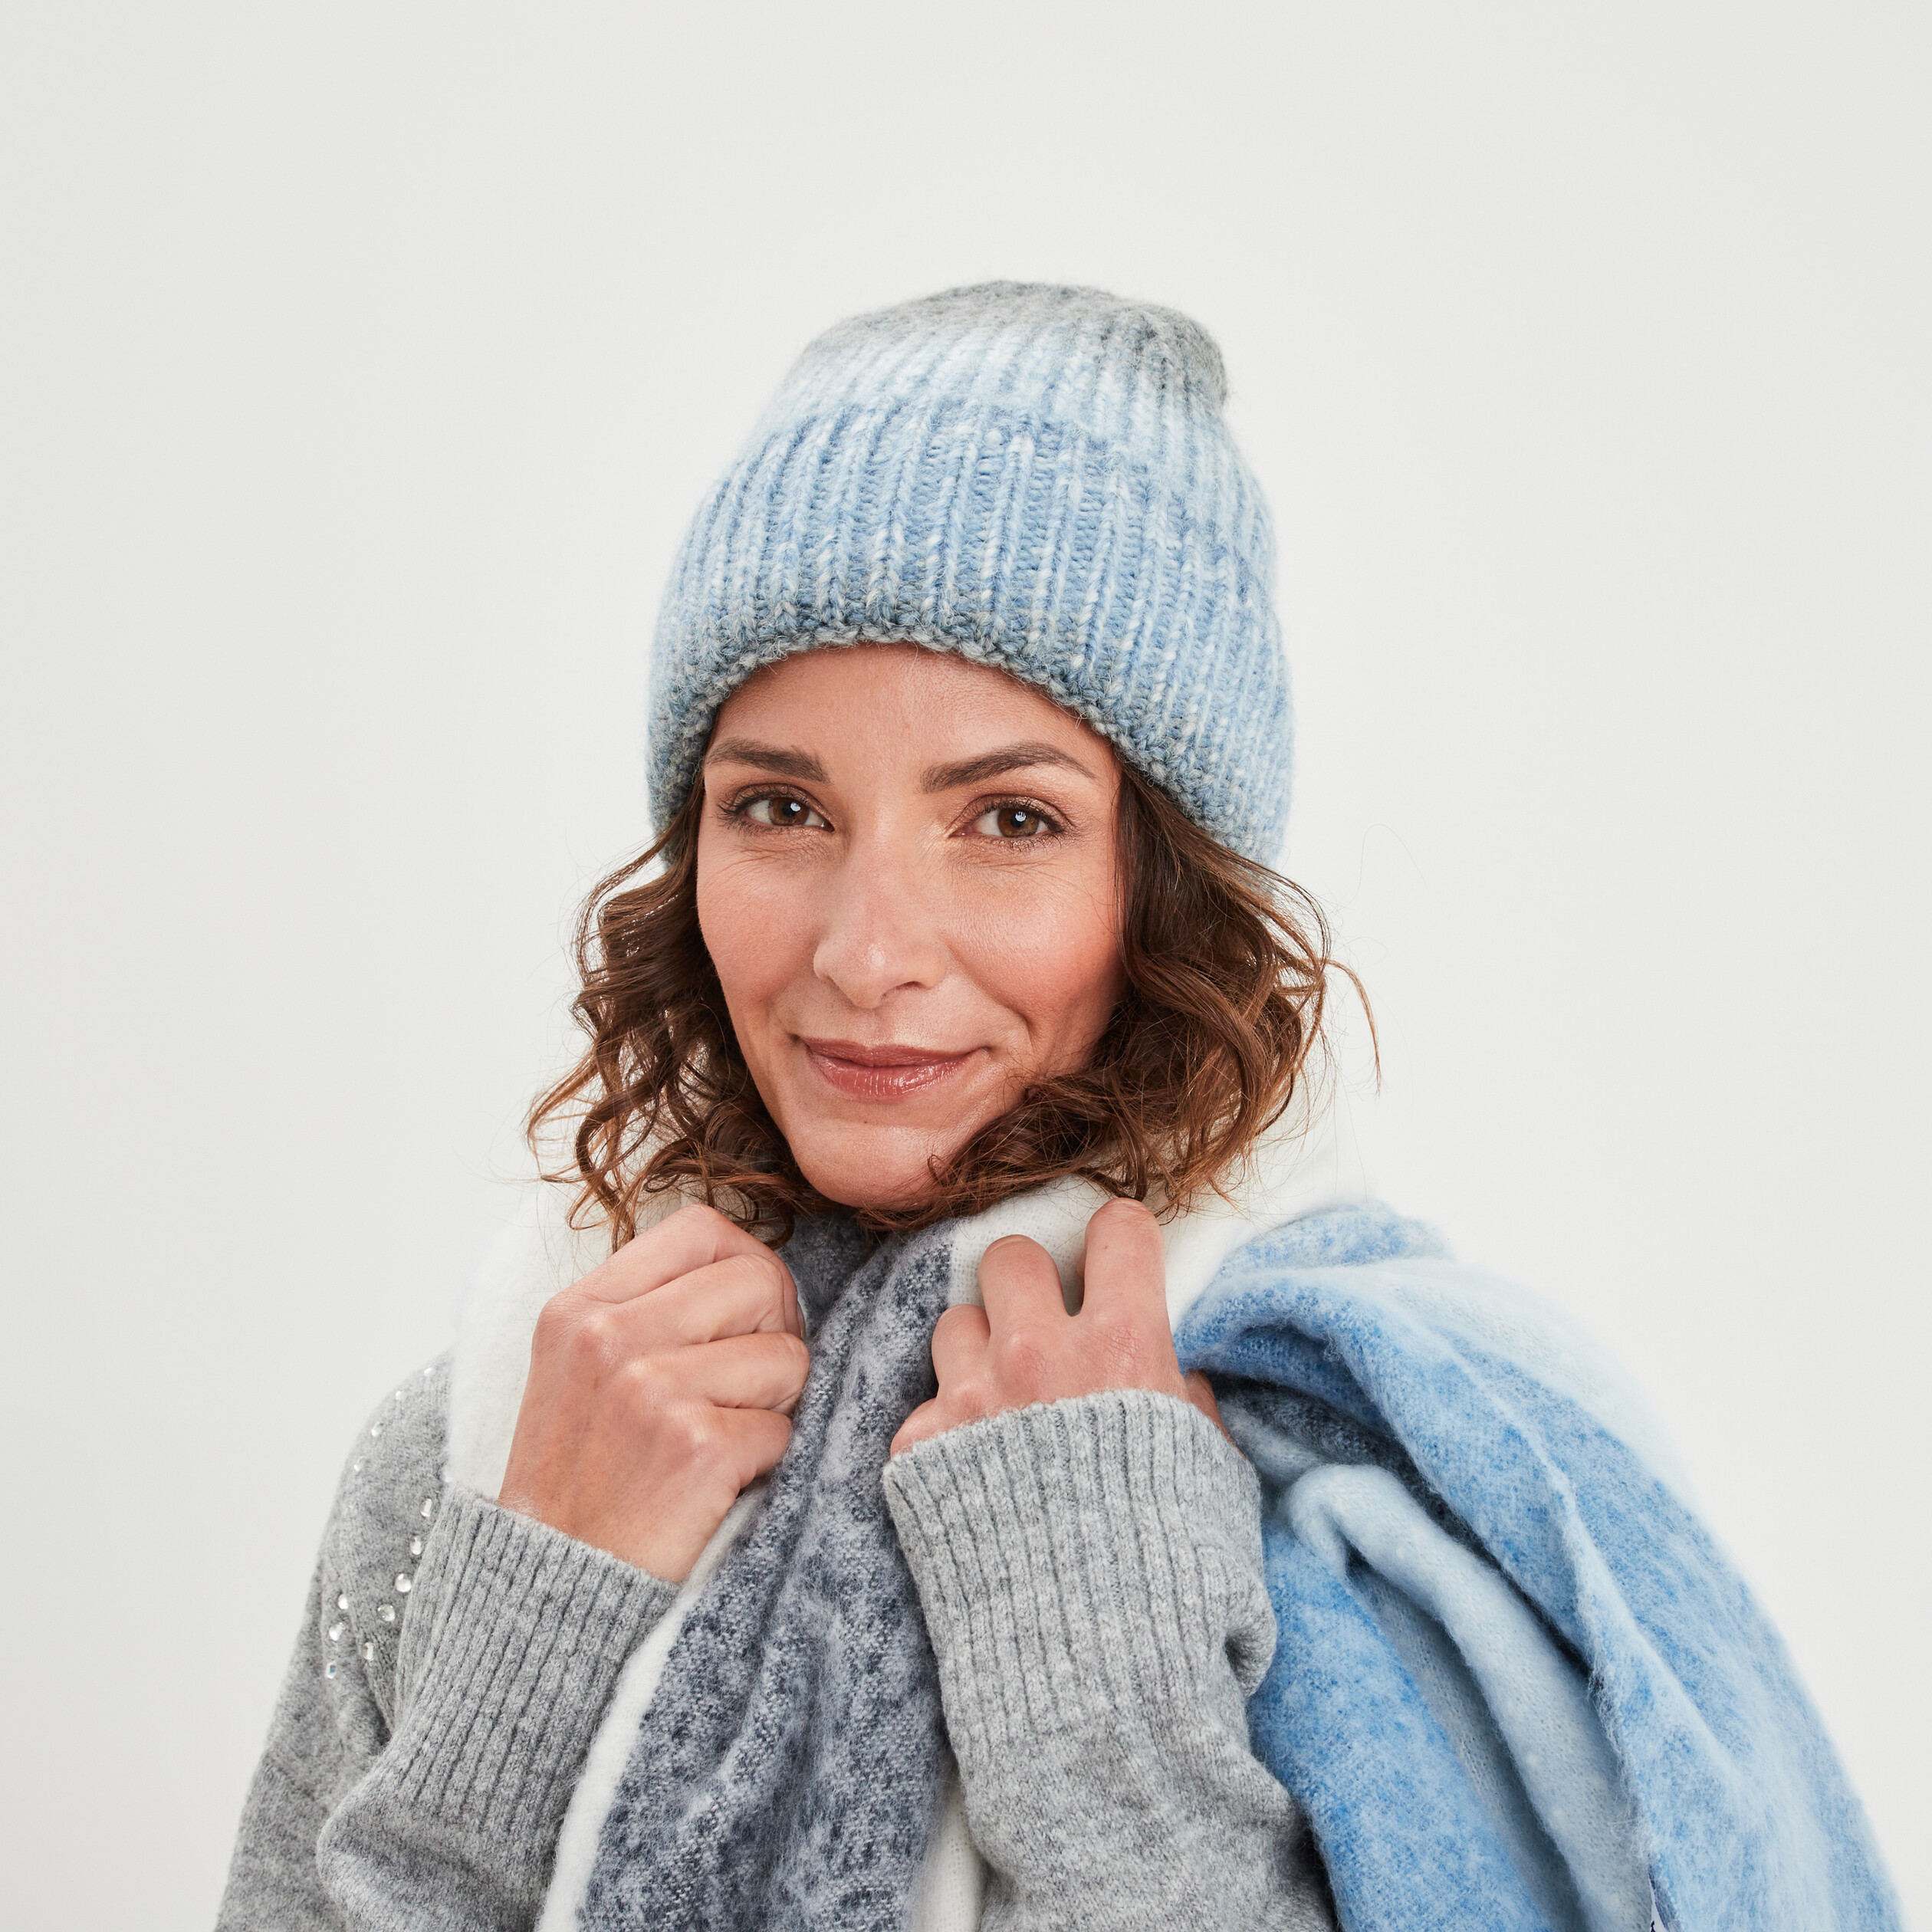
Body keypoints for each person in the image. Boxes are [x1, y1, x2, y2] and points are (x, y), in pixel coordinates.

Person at [218, 284, 1899, 1932]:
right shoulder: (515, 1426)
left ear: (1163, 885)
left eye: (1008, 820)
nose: (868, 953)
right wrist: (530, 1629)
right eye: (781, 806)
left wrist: (1104, 1688)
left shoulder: (1357, 1452)